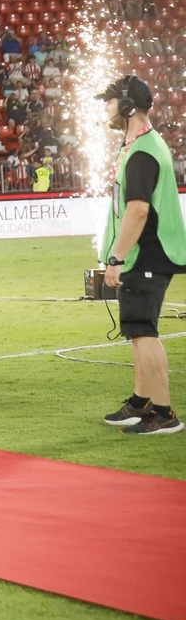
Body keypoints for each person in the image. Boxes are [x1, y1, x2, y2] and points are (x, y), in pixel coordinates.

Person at [98, 76, 183, 435]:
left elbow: (137, 211)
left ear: (128, 106)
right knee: (137, 331)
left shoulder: (143, 150)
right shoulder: (142, 145)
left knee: (144, 331)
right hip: (145, 254)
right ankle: (140, 401)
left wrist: (116, 258)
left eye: (111, 101)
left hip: (145, 254)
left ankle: (164, 414)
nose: (106, 108)